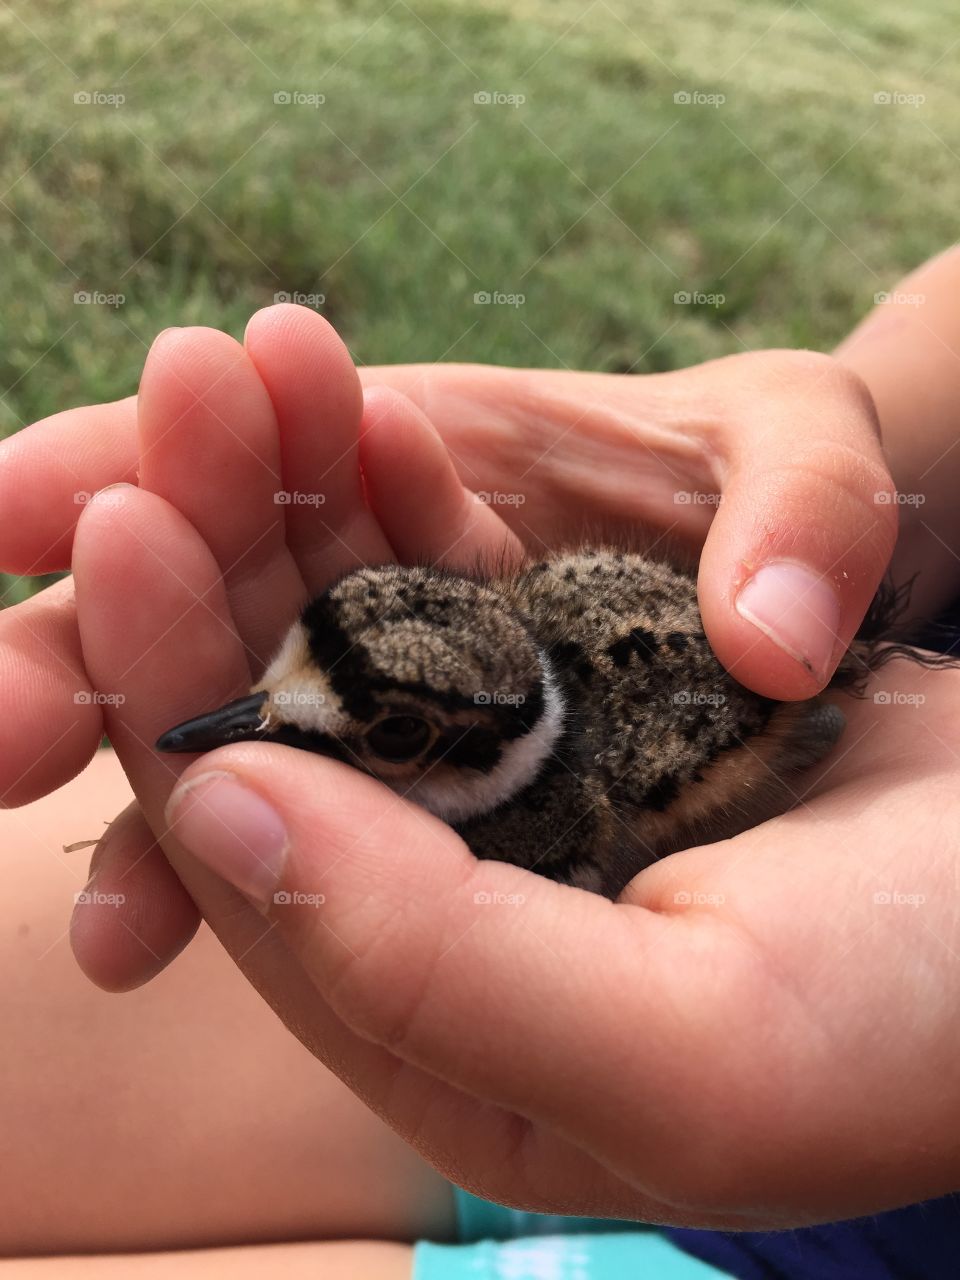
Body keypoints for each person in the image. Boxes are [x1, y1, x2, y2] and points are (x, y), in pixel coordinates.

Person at [2, 248, 960, 1277]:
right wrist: (845, 481)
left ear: (474, 752)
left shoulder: (551, 818)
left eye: (392, 736)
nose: (268, 711)